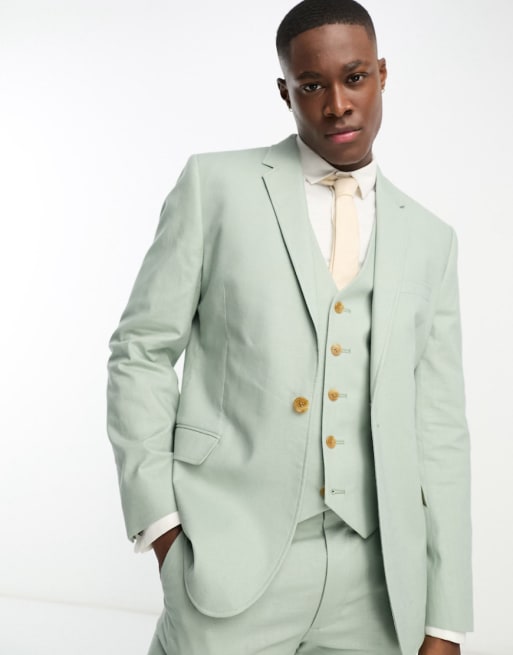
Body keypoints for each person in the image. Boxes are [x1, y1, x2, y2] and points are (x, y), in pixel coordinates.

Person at [106, 1, 473, 653]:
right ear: (285, 91)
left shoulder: (430, 239)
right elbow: (140, 351)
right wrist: (162, 527)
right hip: (228, 566)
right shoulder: (214, 186)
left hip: (378, 587)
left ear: (382, 74)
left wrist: (443, 618)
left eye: (354, 77)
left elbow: (439, 429)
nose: (337, 105)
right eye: (311, 86)